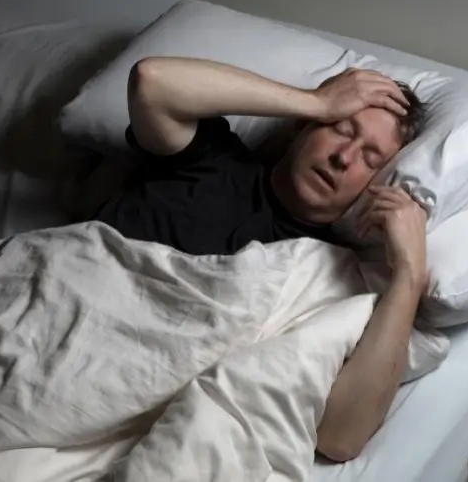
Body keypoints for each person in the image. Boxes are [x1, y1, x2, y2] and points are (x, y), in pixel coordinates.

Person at [94, 57, 429, 462]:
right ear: (301, 126)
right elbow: (152, 81)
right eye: (341, 129)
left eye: (371, 159)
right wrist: (317, 103)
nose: (345, 157)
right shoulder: (210, 158)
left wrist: (409, 274)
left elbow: (341, 438)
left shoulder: (329, 277)